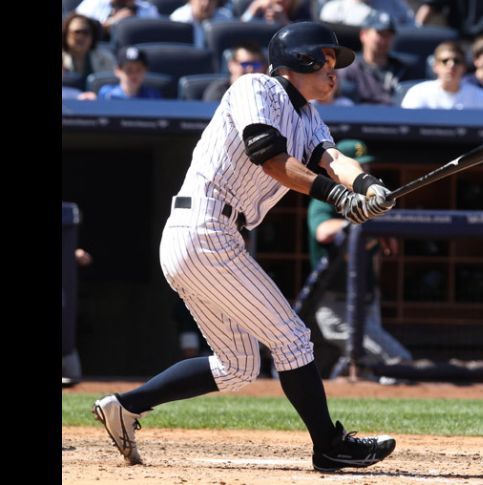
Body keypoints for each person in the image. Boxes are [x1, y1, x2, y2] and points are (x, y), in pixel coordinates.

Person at [91, 21, 397, 472]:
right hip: (205, 227)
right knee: (293, 339)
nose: (335, 73)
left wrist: (369, 187)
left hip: (209, 235)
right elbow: (268, 156)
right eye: (327, 61)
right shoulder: (257, 86)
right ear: (300, 60)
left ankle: (127, 406)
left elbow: (332, 161)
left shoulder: (308, 116)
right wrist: (338, 199)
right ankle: (330, 445)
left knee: (237, 366)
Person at [307, 139, 412, 376]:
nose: (364, 173)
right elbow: (323, 231)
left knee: (365, 370)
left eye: (367, 168)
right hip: (335, 301)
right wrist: (359, 221)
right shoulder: (324, 198)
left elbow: (389, 249)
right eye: (360, 167)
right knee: (397, 362)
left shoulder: (371, 204)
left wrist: (379, 224)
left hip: (366, 299)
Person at [336, 10, 422, 106]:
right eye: (380, 33)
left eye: (389, 35)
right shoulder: (349, 69)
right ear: (363, 35)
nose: (384, 40)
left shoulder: (403, 69)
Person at [400, 41, 483, 110]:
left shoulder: (481, 97)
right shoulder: (418, 93)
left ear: (464, 67)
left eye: (457, 61)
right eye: (445, 61)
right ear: (435, 66)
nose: (451, 65)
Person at [202, 41, 268, 102]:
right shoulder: (218, 92)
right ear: (231, 65)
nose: (250, 69)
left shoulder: (269, 91)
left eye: (256, 64)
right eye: (245, 64)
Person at [62, 12, 117, 79]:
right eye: (77, 32)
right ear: (66, 34)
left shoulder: (105, 59)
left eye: (86, 32)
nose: (81, 37)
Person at [96, 46, 162, 100]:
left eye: (139, 70)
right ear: (118, 71)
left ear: (145, 70)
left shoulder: (152, 96)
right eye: (129, 70)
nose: (134, 74)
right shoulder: (107, 94)